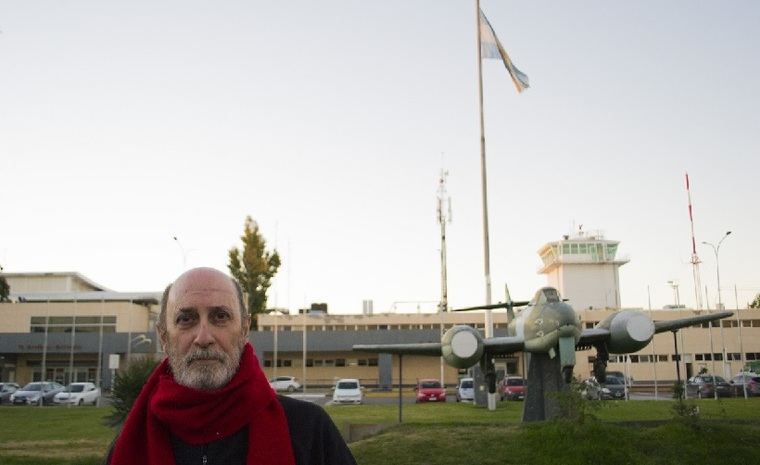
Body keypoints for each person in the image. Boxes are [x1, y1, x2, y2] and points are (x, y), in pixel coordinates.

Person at [106, 267, 357, 465]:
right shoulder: (131, 443)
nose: (204, 337)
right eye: (186, 319)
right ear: (163, 336)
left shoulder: (309, 430)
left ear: (245, 329)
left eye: (220, 316)